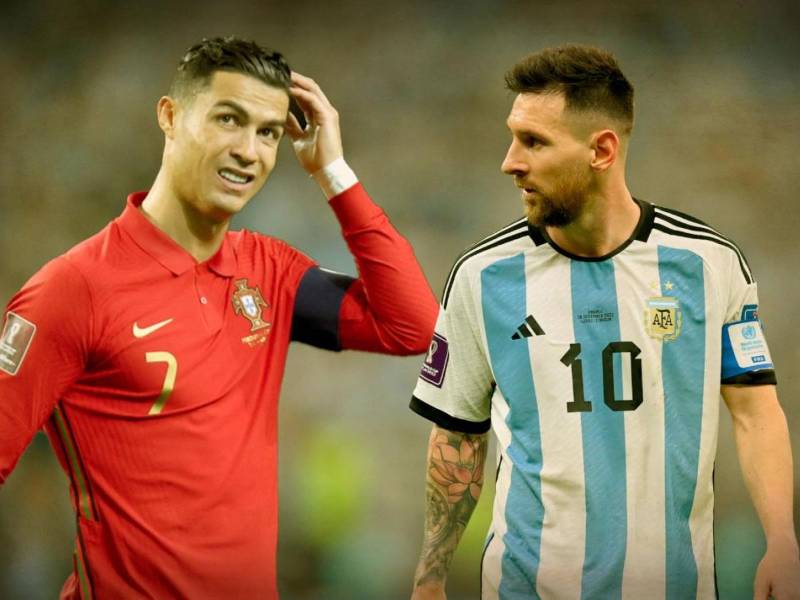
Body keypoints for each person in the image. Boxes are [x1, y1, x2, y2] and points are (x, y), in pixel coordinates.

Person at [0, 37, 437, 599]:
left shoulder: (269, 272)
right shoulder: (73, 289)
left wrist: (333, 172)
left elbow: (413, 327)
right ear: (170, 115)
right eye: (228, 120)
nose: (249, 151)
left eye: (268, 132)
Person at [408, 45, 799, 600]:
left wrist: (782, 541)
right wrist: (429, 578)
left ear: (602, 150)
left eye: (533, 141)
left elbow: (757, 413)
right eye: (513, 137)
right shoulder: (482, 277)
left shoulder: (709, 264)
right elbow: (457, 437)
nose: (510, 161)